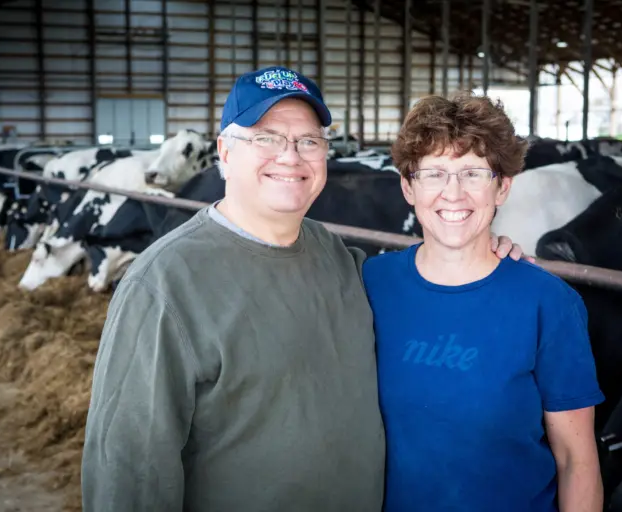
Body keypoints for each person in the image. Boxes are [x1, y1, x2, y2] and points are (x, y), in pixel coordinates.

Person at [80, 66, 526, 511]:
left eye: (309, 141)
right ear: (225, 153)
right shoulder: (163, 285)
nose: (290, 157)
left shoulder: (336, 256)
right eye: (267, 138)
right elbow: (128, 473)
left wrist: (476, 255)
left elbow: (422, 296)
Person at [362, 92, 605, 512]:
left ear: (502, 187)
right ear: (408, 187)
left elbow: (576, 460)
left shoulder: (548, 303)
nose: (453, 194)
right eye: (433, 173)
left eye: (474, 173)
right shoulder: (369, 284)